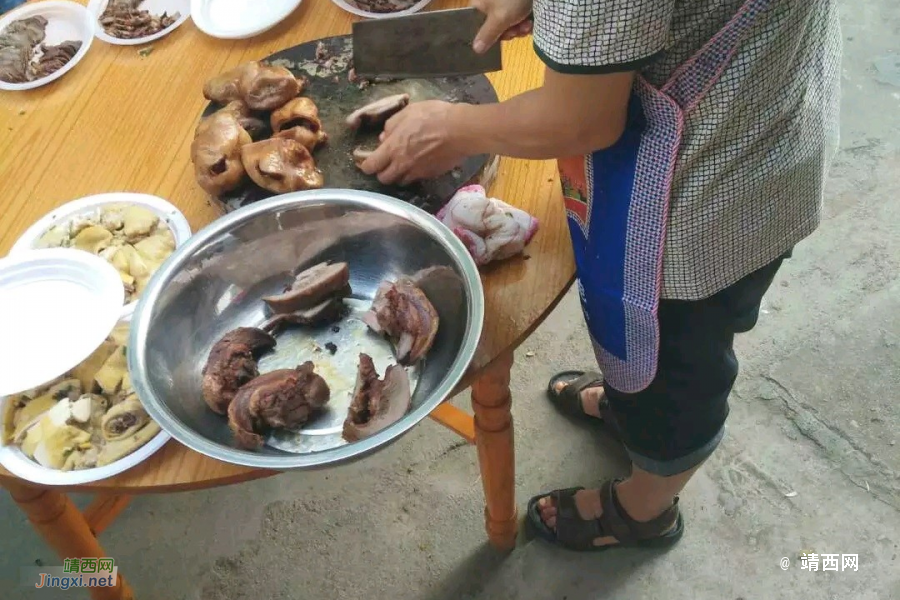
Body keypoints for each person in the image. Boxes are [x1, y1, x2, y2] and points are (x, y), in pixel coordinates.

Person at [362, 0, 841, 551]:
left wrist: (453, 127)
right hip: (760, 106)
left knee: (680, 368)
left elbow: (581, 120)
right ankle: (634, 409)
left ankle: (645, 507)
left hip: (712, 191)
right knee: (649, 357)